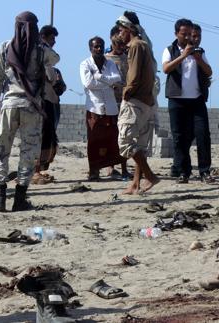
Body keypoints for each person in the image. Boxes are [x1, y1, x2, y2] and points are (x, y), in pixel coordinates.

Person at [0, 11, 60, 212]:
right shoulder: (41, 49)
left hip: (9, 105)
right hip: (31, 107)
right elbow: (55, 59)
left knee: (1, 149)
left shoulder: (5, 47)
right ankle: (20, 197)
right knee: (28, 152)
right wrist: (40, 43)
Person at [162, 19, 214, 184]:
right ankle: (184, 171)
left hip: (197, 101)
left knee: (203, 135)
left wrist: (197, 58)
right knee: (180, 138)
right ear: (176, 33)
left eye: (189, 34)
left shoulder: (199, 51)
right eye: (183, 34)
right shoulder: (169, 50)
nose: (187, 37)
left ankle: (205, 171)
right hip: (177, 101)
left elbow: (209, 71)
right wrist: (183, 56)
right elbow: (166, 69)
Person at [116, 16, 159, 194]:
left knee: (125, 143)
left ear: (129, 29)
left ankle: (150, 176)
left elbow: (133, 77)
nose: (119, 34)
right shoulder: (145, 45)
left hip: (135, 102)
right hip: (147, 102)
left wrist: (126, 93)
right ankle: (135, 184)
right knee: (140, 145)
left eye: (121, 30)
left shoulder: (135, 46)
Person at [80, 36, 126, 181]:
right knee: (94, 141)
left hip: (111, 108)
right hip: (94, 108)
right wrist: (108, 82)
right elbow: (88, 83)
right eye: (96, 47)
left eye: (101, 46)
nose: (99, 49)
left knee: (112, 140)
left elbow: (117, 78)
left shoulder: (110, 63)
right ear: (90, 48)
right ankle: (94, 171)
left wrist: (98, 76)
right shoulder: (85, 64)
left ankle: (112, 169)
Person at [32, 25, 65, 184]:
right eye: (52, 39)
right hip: (39, 103)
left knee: (48, 138)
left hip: (51, 103)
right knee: (39, 136)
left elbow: (59, 86)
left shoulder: (53, 67)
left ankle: (39, 169)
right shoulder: (35, 60)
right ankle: (35, 170)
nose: (54, 43)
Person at [105, 28, 131, 179]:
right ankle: (110, 167)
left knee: (123, 135)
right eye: (117, 45)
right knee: (111, 135)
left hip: (124, 100)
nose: (120, 48)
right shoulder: (106, 59)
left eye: (122, 45)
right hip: (110, 101)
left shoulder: (127, 59)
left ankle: (124, 167)